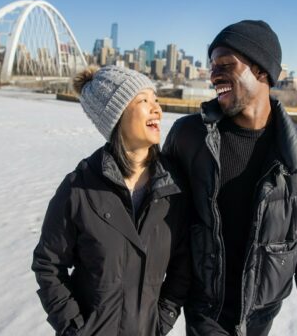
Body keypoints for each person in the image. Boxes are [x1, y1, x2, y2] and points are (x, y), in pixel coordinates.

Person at [163, 20, 297, 336]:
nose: (213, 75)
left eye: (226, 65)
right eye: (211, 66)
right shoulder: (188, 138)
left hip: (261, 317)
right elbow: (158, 227)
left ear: (262, 71)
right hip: (204, 312)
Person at [32, 65, 190, 336]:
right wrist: (74, 327)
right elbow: (48, 265)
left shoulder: (173, 188)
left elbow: (183, 265)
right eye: (143, 101)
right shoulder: (79, 189)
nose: (157, 109)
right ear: (115, 117)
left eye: (156, 100)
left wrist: (161, 321)